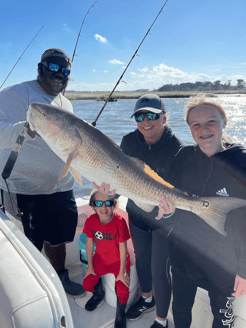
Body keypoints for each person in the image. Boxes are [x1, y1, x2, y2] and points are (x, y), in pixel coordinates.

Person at [0, 48, 85, 298]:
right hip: (23, 186)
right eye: (53, 67)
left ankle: (60, 276)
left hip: (60, 186)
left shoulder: (65, 102)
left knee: (59, 238)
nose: (59, 74)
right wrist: (22, 129)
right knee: (28, 244)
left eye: (65, 71)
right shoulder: (14, 94)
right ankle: (30, 292)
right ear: (40, 67)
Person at [157, 98, 246, 328]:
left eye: (210, 122)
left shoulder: (241, 162)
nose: (203, 130)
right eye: (195, 125)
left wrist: (244, 268)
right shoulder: (183, 157)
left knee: (223, 319)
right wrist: (166, 213)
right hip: (183, 257)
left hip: (224, 263)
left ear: (224, 121)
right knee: (180, 310)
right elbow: (170, 204)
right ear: (188, 128)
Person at [120, 94, 183, 328]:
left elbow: (179, 189)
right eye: (139, 116)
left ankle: (161, 319)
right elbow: (118, 174)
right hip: (137, 216)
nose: (145, 121)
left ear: (164, 117)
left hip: (162, 220)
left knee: (160, 269)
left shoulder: (177, 148)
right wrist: (107, 191)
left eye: (152, 115)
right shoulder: (128, 141)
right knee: (143, 262)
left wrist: (169, 209)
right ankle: (147, 299)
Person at [82, 190, 131, 328]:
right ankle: (98, 295)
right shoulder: (90, 221)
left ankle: (120, 314)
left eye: (108, 203)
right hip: (101, 259)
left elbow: (123, 247)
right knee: (87, 284)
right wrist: (90, 266)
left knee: (123, 291)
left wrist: (122, 272)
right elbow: (89, 243)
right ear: (93, 206)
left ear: (114, 205)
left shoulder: (120, 222)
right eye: (99, 203)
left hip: (119, 261)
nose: (103, 208)